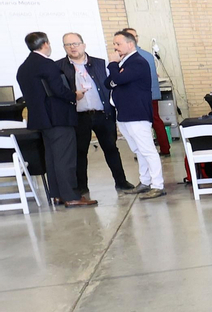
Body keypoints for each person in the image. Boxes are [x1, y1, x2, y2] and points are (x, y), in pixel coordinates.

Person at [16, 31, 95, 207]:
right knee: (65, 159)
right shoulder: (47, 64)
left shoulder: (24, 67)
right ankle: (72, 197)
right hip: (58, 118)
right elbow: (58, 90)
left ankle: (58, 195)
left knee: (52, 158)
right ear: (45, 44)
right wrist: (75, 95)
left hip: (41, 120)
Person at [58, 32, 135, 196]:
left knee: (111, 149)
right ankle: (82, 187)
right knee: (80, 153)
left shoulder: (100, 64)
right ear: (64, 48)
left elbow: (113, 84)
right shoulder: (59, 67)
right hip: (78, 117)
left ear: (84, 45)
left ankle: (121, 182)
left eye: (76, 43)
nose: (73, 47)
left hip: (102, 115)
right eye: (68, 45)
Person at [107, 30, 165, 198]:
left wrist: (112, 65)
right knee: (138, 150)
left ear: (130, 44)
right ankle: (145, 181)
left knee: (147, 150)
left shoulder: (137, 62)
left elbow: (116, 80)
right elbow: (108, 82)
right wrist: (116, 73)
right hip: (124, 114)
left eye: (118, 44)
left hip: (137, 114)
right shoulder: (124, 63)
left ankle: (157, 184)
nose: (115, 48)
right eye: (114, 44)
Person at [122, 27, 168, 155]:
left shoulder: (131, 57)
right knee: (155, 120)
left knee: (142, 124)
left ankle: (147, 151)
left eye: (135, 36)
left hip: (140, 96)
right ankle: (165, 148)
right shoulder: (147, 55)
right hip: (151, 94)